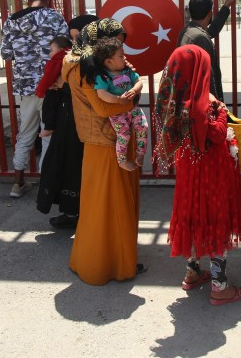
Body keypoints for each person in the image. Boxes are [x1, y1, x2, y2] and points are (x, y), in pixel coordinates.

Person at [154, 45, 241, 305]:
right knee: (214, 218)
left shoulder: (173, 100)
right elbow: (216, 135)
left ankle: (193, 273)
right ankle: (220, 287)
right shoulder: (204, 104)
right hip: (211, 171)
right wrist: (220, 112)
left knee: (193, 216)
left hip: (187, 169)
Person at [63, 18, 145, 284]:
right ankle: (114, 266)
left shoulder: (83, 60)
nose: (119, 50)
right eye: (116, 43)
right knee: (114, 206)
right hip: (107, 140)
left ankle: (93, 259)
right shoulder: (85, 66)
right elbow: (103, 108)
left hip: (101, 139)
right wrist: (131, 102)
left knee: (98, 206)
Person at [0, 0, 67, 198]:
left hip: (25, 87)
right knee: (49, 133)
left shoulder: (11, 21)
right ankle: (45, 184)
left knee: (25, 134)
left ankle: (17, 184)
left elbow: (6, 54)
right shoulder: (56, 19)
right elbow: (67, 50)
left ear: (28, 0)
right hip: (51, 86)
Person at [37, 15, 98, 230]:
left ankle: (86, 214)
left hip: (93, 125)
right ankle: (71, 212)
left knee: (84, 170)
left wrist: (64, 84)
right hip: (70, 121)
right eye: (73, 39)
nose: (76, 43)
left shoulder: (104, 56)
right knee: (67, 166)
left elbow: (101, 87)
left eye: (79, 37)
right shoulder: (73, 57)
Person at [88, 36, 148, 171]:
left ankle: (140, 153)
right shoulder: (103, 77)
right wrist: (117, 100)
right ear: (109, 62)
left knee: (143, 126)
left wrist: (134, 90)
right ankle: (121, 160)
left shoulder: (127, 71)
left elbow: (139, 82)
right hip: (117, 113)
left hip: (133, 108)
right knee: (124, 134)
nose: (124, 58)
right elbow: (102, 93)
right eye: (121, 56)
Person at [177, 0, 238, 101]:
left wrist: (226, 5)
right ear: (210, 14)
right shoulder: (201, 38)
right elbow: (207, 77)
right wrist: (217, 105)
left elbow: (212, 30)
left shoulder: (187, 31)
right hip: (203, 104)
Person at [35, 35, 72, 139]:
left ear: (60, 50)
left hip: (55, 89)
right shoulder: (69, 58)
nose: (49, 53)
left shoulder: (56, 60)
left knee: (48, 106)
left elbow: (48, 76)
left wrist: (40, 91)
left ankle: (49, 127)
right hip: (64, 90)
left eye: (51, 50)